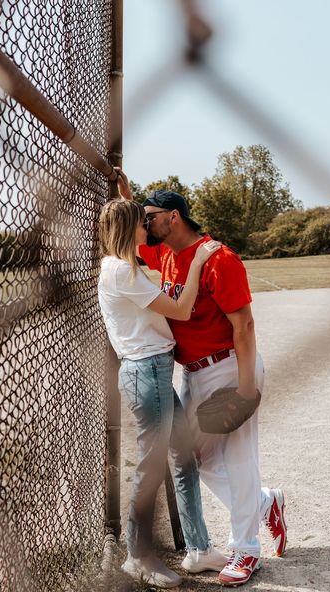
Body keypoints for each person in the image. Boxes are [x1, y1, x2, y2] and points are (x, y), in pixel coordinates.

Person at [116, 170, 288, 587]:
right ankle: (264, 504)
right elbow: (137, 238)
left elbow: (243, 326)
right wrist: (127, 194)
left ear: (172, 217)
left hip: (231, 367)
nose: (143, 223)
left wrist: (247, 389)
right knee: (198, 459)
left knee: (238, 458)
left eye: (149, 216)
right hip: (193, 374)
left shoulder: (219, 258)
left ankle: (246, 550)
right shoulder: (168, 254)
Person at [98, 198, 228, 588]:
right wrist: (199, 260)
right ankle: (137, 556)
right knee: (152, 466)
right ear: (128, 230)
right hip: (146, 375)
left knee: (183, 459)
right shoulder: (122, 272)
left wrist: (123, 189)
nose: (148, 229)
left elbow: (128, 223)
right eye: (142, 224)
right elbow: (183, 309)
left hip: (154, 372)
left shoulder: (120, 265)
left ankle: (199, 548)